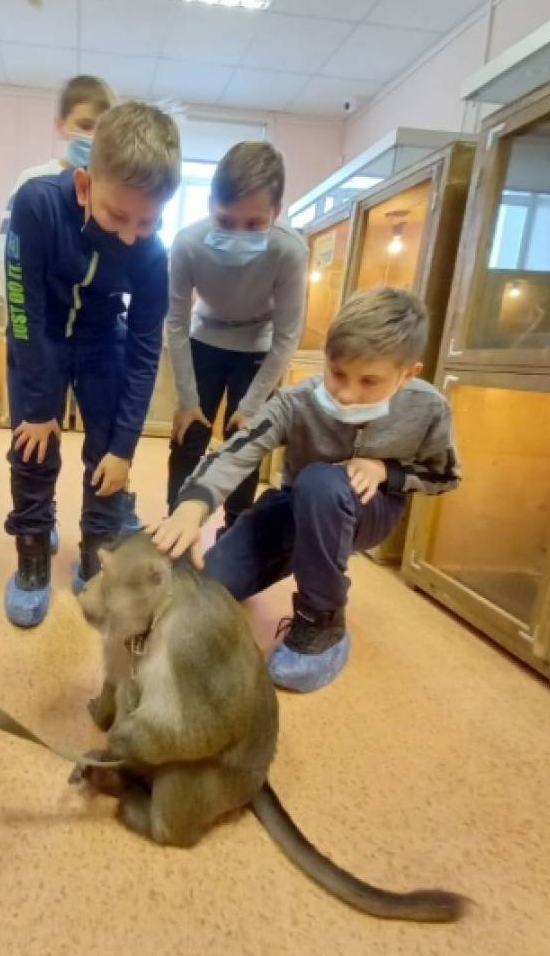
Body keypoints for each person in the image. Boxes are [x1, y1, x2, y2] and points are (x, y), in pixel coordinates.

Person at [153, 287, 461, 693]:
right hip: (294, 506)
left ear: (408, 374)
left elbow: (444, 476)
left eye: (369, 381)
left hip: (369, 509)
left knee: (320, 481)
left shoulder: (429, 408)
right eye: (337, 373)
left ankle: (323, 619)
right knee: (203, 592)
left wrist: (387, 471)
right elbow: (237, 452)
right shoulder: (297, 400)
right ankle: (280, 559)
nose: (347, 393)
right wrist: (192, 506)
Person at [3, 101, 180, 628]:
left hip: (103, 339)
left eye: (147, 221)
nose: (129, 235)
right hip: (41, 335)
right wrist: (39, 407)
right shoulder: (37, 204)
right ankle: (33, 551)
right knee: (32, 447)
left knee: (107, 457)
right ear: (84, 186)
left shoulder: (152, 254)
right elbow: (24, 309)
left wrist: (124, 448)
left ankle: (95, 553)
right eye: (117, 216)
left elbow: (145, 352)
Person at [166, 141, 306, 531]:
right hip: (205, 338)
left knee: (244, 442)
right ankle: (174, 527)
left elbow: (287, 336)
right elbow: (176, 324)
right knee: (188, 437)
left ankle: (235, 533)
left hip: (259, 345)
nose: (239, 234)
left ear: (276, 212)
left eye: (255, 224)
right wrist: (187, 399)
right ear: (210, 203)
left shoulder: (290, 250)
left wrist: (253, 403)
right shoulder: (188, 243)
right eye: (225, 221)